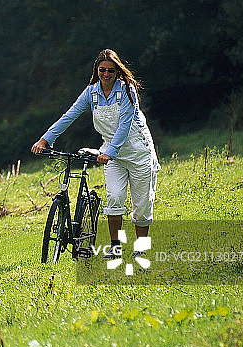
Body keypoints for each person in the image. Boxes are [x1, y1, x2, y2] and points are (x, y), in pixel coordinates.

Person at [30, 49, 160, 258]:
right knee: (114, 197)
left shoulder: (127, 90)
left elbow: (125, 124)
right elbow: (69, 116)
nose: (106, 74)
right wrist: (46, 139)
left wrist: (110, 152)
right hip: (112, 154)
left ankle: (141, 249)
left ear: (118, 71)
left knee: (141, 204)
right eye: (102, 70)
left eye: (111, 70)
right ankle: (115, 248)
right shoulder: (91, 92)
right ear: (96, 70)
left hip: (138, 153)